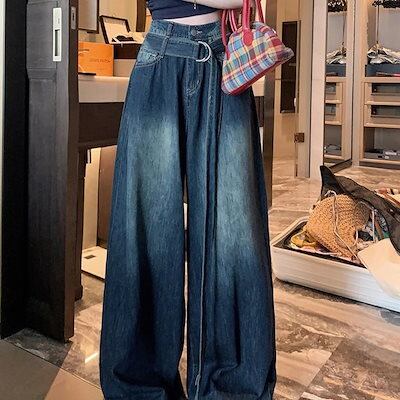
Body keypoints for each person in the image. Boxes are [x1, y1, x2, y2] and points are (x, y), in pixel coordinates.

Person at [99, 1, 276, 399]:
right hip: (161, 55)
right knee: (146, 231)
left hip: (223, 59)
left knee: (233, 234)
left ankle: (230, 388)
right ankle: (139, 388)